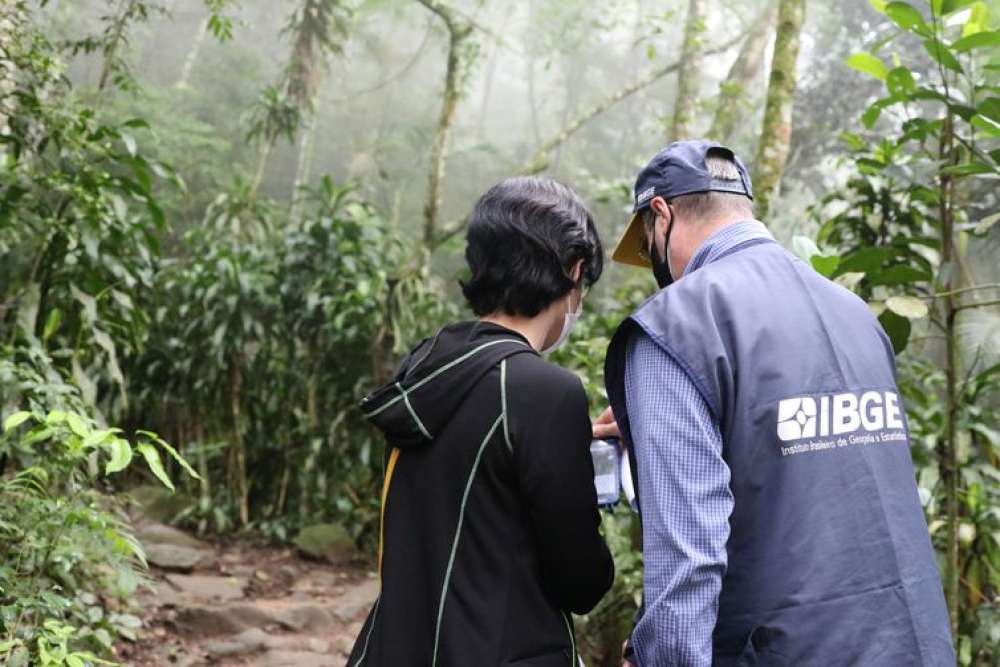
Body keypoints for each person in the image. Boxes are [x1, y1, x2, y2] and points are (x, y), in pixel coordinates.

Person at [595, 140, 954, 666]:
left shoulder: (677, 326)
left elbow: (686, 558)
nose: (654, 261)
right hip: (911, 645)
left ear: (661, 213)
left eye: (649, 246)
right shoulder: (855, 315)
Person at [348, 176, 615, 667]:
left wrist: (565, 446)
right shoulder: (545, 392)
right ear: (574, 271)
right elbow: (582, 581)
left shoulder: (428, 365)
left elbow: (470, 492)